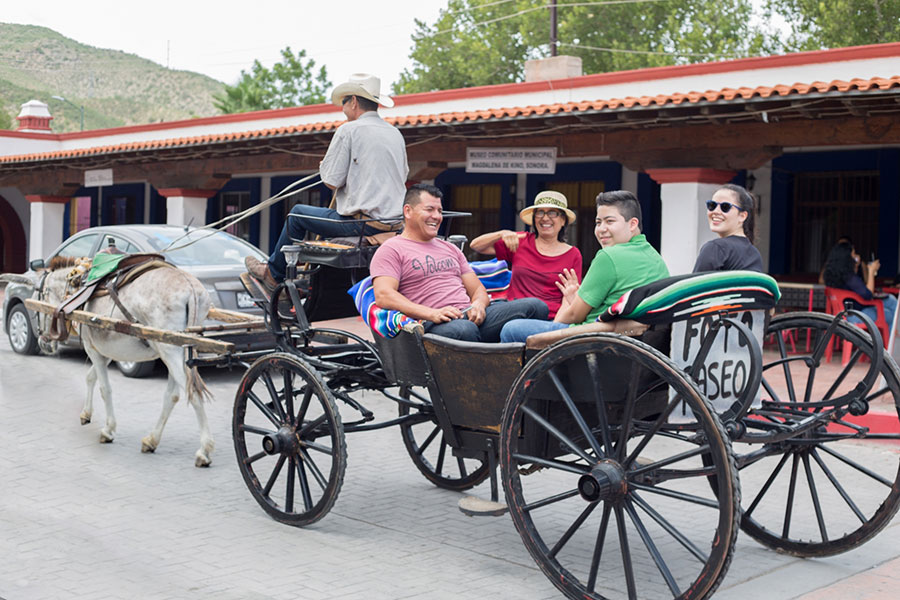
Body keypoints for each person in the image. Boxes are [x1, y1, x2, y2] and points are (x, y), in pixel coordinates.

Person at [246, 73, 409, 289]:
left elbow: (331, 181)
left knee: (296, 214)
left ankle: (273, 274)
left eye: (344, 102)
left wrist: (325, 166)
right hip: (393, 222)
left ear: (353, 101)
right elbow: (403, 174)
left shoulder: (349, 130)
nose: (342, 108)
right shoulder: (395, 133)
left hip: (360, 224)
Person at [369, 184, 548, 342]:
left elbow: (478, 290)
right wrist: (432, 313)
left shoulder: (450, 248)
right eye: (429, 209)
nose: (437, 216)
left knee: (536, 307)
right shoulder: (391, 249)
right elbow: (384, 295)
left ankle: (522, 369)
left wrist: (478, 305)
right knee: (464, 330)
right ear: (408, 211)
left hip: (468, 316)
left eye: (439, 211)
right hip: (433, 322)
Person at [500, 190, 669, 343]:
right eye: (598, 222)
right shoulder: (654, 257)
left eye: (609, 221)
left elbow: (574, 315)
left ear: (632, 224)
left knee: (511, 328)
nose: (601, 229)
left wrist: (565, 307)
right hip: (635, 340)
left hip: (590, 340)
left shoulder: (608, 257)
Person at [470, 191, 582, 318]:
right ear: (534, 219)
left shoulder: (573, 254)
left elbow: (569, 297)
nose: (545, 218)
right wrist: (502, 233)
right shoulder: (520, 241)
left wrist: (554, 329)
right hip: (515, 314)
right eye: (540, 212)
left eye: (552, 213)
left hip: (550, 319)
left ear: (563, 221)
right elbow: (476, 245)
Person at [823, 240, 897, 329]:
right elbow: (868, 295)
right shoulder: (848, 277)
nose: (855, 257)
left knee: (892, 301)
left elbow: (856, 288)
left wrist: (855, 266)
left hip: (843, 315)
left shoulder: (835, 275)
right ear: (847, 257)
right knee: (893, 315)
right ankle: (890, 342)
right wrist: (871, 271)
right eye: (853, 254)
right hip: (856, 315)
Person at [693, 183, 763, 273]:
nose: (716, 211)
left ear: (742, 216)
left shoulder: (715, 248)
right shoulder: (755, 254)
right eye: (712, 205)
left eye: (725, 207)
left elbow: (696, 286)